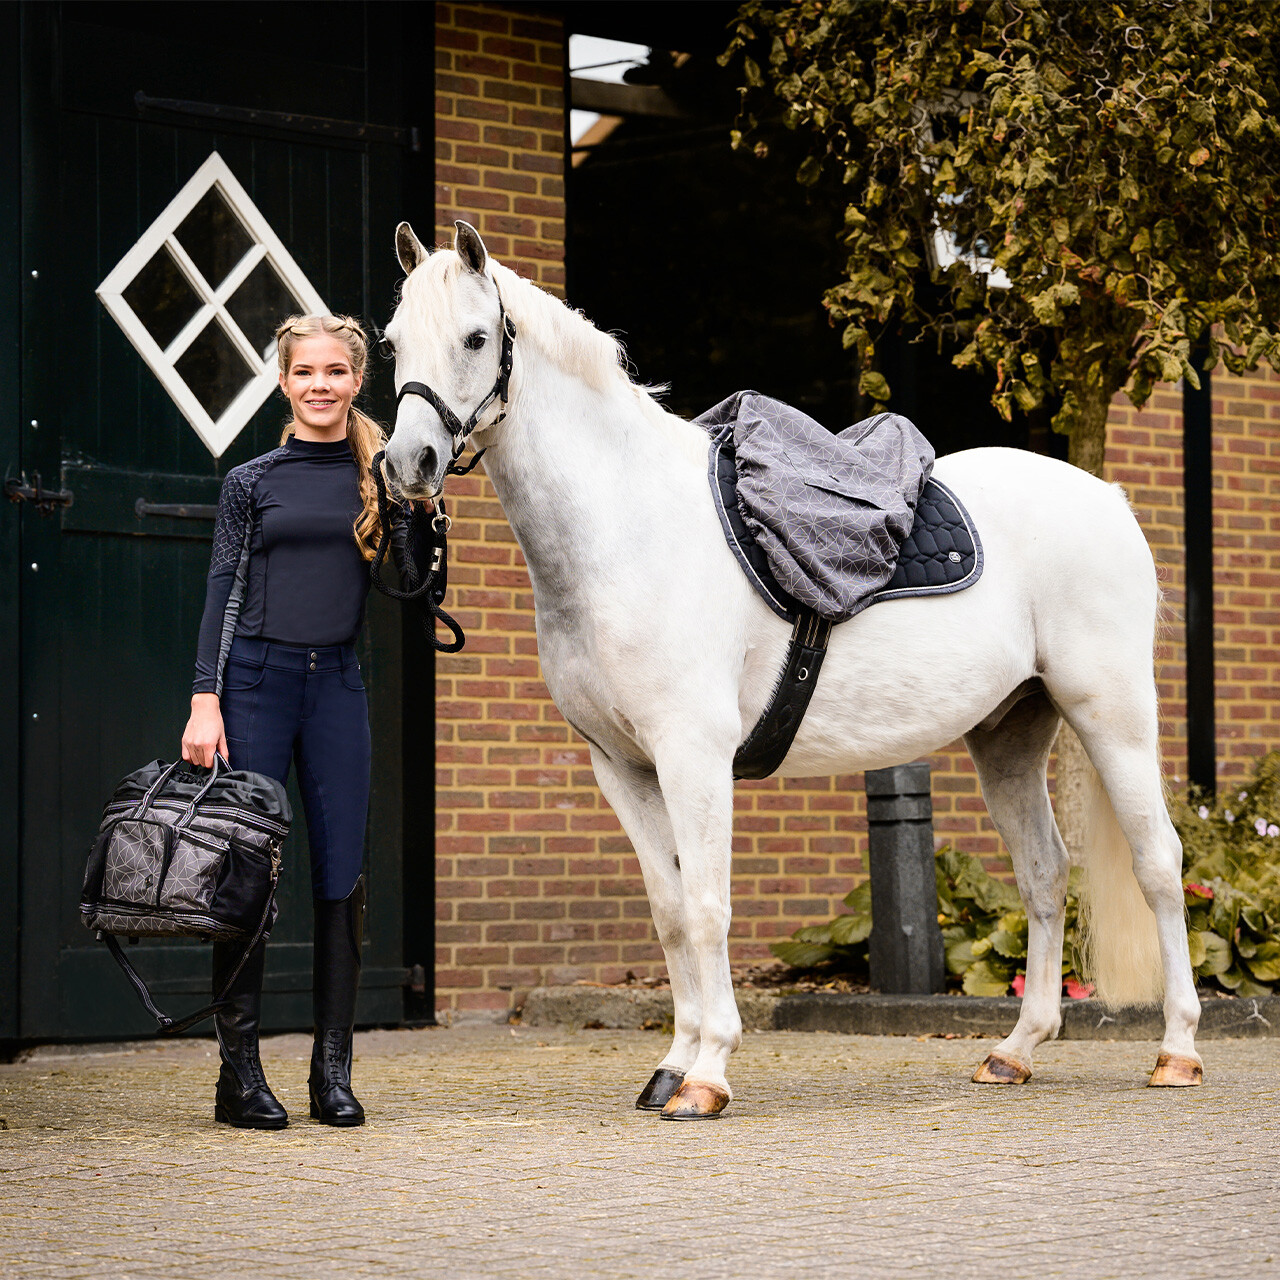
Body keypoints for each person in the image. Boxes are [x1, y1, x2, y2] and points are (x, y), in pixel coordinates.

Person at [181, 313, 416, 1130]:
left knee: (340, 875)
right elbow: (221, 592)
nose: (321, 385)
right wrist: (204, 697)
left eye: (336, 372)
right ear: (283, 383)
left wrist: (420, 520)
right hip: (253, 684)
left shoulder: (383, 478)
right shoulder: (251, 480)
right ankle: (239, 1075)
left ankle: (333, 1074)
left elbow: (414, 589)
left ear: (358, 381)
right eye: (304, 372)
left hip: (337, 688)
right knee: (245, 876)